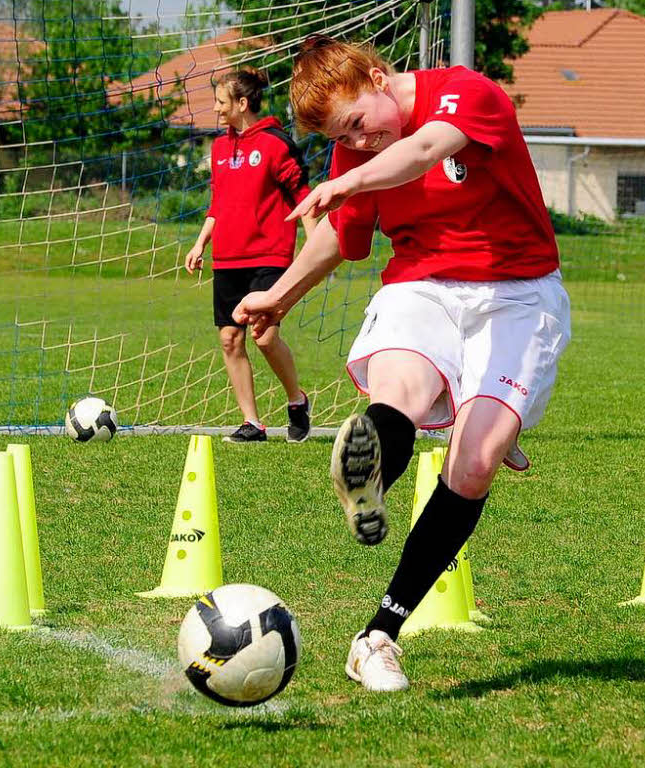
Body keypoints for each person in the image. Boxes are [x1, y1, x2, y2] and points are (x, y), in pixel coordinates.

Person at [233, 36, 571, 691]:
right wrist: (279, 295)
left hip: (518, 294)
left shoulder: (468, 94)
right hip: (421, 287)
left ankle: (377, 635)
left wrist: (349, 176)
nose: (358, 143)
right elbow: (340, 232)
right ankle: (370, 479)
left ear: (381, 76)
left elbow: (420, 150)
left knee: (473, 464)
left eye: (360, 125)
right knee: (396, 397)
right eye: (344, 139)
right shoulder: (354, 153)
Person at [185, 68, 318, 443]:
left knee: (263, 336)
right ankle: (252, 423)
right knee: (230, 339)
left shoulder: (277, 144)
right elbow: (219, 203)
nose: (215, 108)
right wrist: (200, 243)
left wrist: (314, 247)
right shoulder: (219, 148)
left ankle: (296, 400)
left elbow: (303, 197)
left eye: (221, 102)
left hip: (269, 256)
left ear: (243, 104)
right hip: (227, 258)